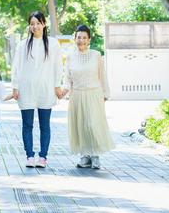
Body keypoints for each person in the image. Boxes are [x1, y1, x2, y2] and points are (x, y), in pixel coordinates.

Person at [11, 11, 64, 168]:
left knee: (44, 125)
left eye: (38, 23)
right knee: (27, 124)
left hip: (45, 88)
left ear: (44, 24)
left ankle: (43, 157)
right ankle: (29, 156)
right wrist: (15, 87)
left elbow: (58, 66)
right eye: (32, 24)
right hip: (26, 88)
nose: (35, 26)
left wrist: (57, 85)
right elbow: (16, 67)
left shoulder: (53, 44)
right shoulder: (23, 44)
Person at [61, 24, 115, 169]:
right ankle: (85, 155)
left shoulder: (96, 55)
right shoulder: (70, 57)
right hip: (77, 95)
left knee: (92, 124)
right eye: (79, 37)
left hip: (93, 94)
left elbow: (102, 76)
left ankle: (95, 155)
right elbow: (67, 78)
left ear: (89, 39)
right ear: (75, 39)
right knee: (81, 126)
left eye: (84, 37)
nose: (81, 40)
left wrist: (105, 93)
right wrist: (63, 92)